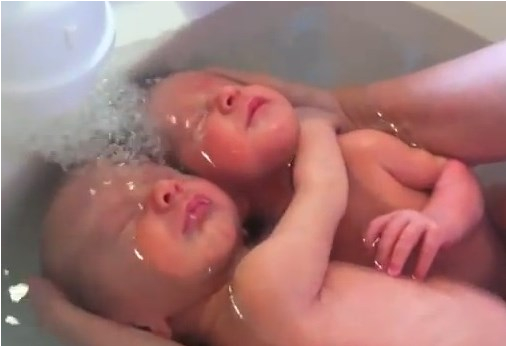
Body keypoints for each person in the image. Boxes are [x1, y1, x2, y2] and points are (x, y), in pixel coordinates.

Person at [30, 41, 506, 345]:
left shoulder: (252, 307)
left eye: (160, 182)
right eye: (125, 223)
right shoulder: (264, 285)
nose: (165, 195)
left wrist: (57, 314)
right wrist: (319, 123)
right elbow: (323, 188)